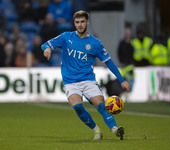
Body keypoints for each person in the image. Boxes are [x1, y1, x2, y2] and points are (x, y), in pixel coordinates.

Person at [41, 10, 131, 140]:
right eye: (77, 22)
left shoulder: (95, 43)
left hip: (88, 81)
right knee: (78, 107)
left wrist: (122, 80)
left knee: (101, 105)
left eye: (82, 21)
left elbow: (109, 62)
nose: (80, 25)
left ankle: (115, 130)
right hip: (71, 82)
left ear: (87, 22)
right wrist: (47, 49)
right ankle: (97, 131)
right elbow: (46, 44)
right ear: (74, 23)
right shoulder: (66, 37)